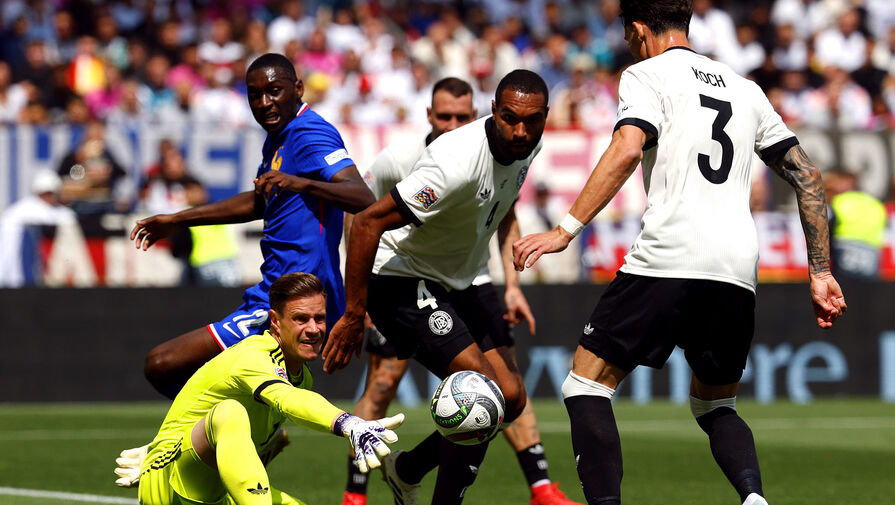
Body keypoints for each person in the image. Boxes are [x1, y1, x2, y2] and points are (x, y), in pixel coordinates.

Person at [512, 2, 847, 505]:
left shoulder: (646, 74)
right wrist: (820, 271)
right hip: (736, 268)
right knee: (716, 406)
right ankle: (754, 499)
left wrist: (564, 230)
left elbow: (627, 148)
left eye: (627, 37)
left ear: (637, 30)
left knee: (586, 386)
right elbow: (808, 175)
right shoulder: (745, 88)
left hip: (669, 254)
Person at [340, 77, 581, 505]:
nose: (520, 131)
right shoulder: (452, 163)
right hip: (403, 277)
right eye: (510, 118)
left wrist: (511, 284)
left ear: (545, 118)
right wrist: (354, 313)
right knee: (479, 392)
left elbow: (502, 207)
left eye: (531, 121)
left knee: (511, 398)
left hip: (461, 279)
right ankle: (362, 490)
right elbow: (365, 221)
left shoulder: (528, 145)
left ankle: (406, 470)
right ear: (492, 110)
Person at [130, 53, 375, 399]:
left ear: (298, 89)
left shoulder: (310, 132)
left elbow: (362, 197)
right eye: (255, 95)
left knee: (162, 364)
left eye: (274, 91)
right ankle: (254, 423)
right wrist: (178, 219)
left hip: (296, 294)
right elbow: (261, 201)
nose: (264, 103)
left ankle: (250, 421)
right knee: (230, 392)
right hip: (275, 290)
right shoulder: (278, 137)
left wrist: (300, 183)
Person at [117, 272, 404, 505]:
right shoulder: (254, 354)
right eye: (301, 319)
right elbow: (288, 399)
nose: (314, 329)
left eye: (319, 318)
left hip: (215, 490)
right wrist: (349, 424)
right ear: (276, 322)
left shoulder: (300, 375)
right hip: (169, 479)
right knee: (229, 412)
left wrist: (272, 442)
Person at [0, 170, 76, 287]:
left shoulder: (58, 210)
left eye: (51, 193)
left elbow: (66, 218)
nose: (49, 197)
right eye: (45, 193)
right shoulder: (25, 208)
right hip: (19, 259)